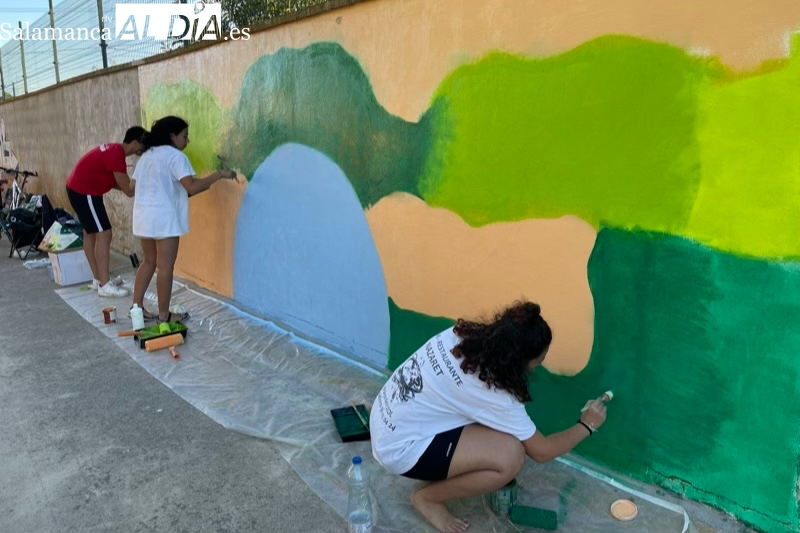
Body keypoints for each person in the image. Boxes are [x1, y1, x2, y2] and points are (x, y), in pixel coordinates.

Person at [370, 301, 609, 533]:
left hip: (385, 419)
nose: (538, 367)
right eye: (538, 361)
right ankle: (427, 499)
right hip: (400, 450)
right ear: (518, 362)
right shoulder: (496, 395)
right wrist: (587, 425)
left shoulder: (459, 336)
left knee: (501, 430)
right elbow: (542, 451)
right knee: (511, 457)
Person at [130, 116, 236, 323]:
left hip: (144, 217)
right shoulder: (175, 157)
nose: (187, 141)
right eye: (185, 136)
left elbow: (134, 188)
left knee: (149, 262)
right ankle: (164, 316)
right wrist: (219, 175)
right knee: (165, 267)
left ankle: (137, 309)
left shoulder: (146, 156)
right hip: (164, 220)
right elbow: (192, 187)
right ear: (172, 136)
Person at [66, 127, 146, 297]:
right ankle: (104, 285)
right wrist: (147, 181)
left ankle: (98, 279)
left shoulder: (115, 150)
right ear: (134, 142)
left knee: (90, 233)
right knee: (104, 233)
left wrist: (130, 187)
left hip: (80, 189)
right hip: (84, 191)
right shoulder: (117, 155)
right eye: (142, 146)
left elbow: (116, 182)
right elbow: (128, 190)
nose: (142, 150)